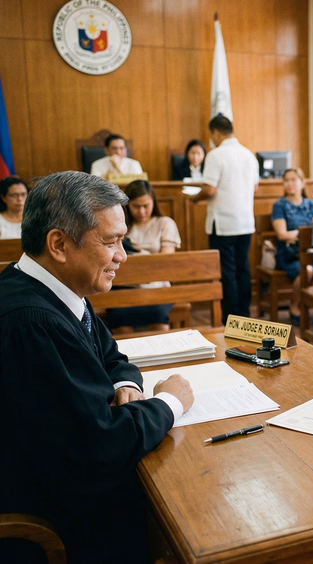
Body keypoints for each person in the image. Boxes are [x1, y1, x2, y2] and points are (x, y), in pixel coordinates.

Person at [0, 171, 194, 564]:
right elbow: (99, 446)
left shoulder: (56, 287)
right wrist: (170, 403)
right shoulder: (32, 322)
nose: (122, 255)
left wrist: (127, 385)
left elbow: (112, 357)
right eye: (112, 242)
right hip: (62, 520)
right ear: (59, 244)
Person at [195, 115, 259, 324]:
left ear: (215, 132)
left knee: (227, 271)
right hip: (245, 223)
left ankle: (231, 318)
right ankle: (245, 315)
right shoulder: (249, 155)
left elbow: (210, 189)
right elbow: (255, 188)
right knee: (243, 269)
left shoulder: (216, 155)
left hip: (223, 224)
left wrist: (195, 197)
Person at [106, 180, 182, 334]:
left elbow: (166, 262)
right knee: (119, 315)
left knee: (157, 313)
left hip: (157, 287)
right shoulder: (123, 226)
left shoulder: (164, 223)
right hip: (125, 287)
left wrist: (142, 257)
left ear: (153, 202)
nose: (141, 212)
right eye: (136, 206)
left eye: (146, 206)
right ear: (127, 205)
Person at [271, 167, 313, 324]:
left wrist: (296, 234)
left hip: (310, 250)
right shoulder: (280, 205)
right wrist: (304, 234)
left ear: (302, 183)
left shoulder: (311, 205)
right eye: (286, 180)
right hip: (289, 254)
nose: (289, 183)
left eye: (293, 179)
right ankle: (295, 305)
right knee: (308, 269)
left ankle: (306, 304)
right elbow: (282, 234)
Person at [0, 175, 28, 239]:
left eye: (23, 194)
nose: (20, 199)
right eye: (14, 195)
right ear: (3, 197)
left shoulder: (36, 219)